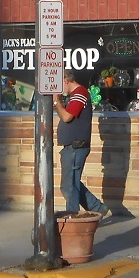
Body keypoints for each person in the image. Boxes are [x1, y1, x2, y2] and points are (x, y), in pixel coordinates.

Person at [53, 71, 110, 218]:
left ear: (66, 81)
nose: (59, 89)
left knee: (69, 186)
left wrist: (56, 102)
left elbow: (67, 117)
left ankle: (72, 216)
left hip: (76, 147)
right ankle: (98, 207)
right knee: (71, 184)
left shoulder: (79, 94)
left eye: (59, 85)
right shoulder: (74, 95)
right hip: (71, 147)